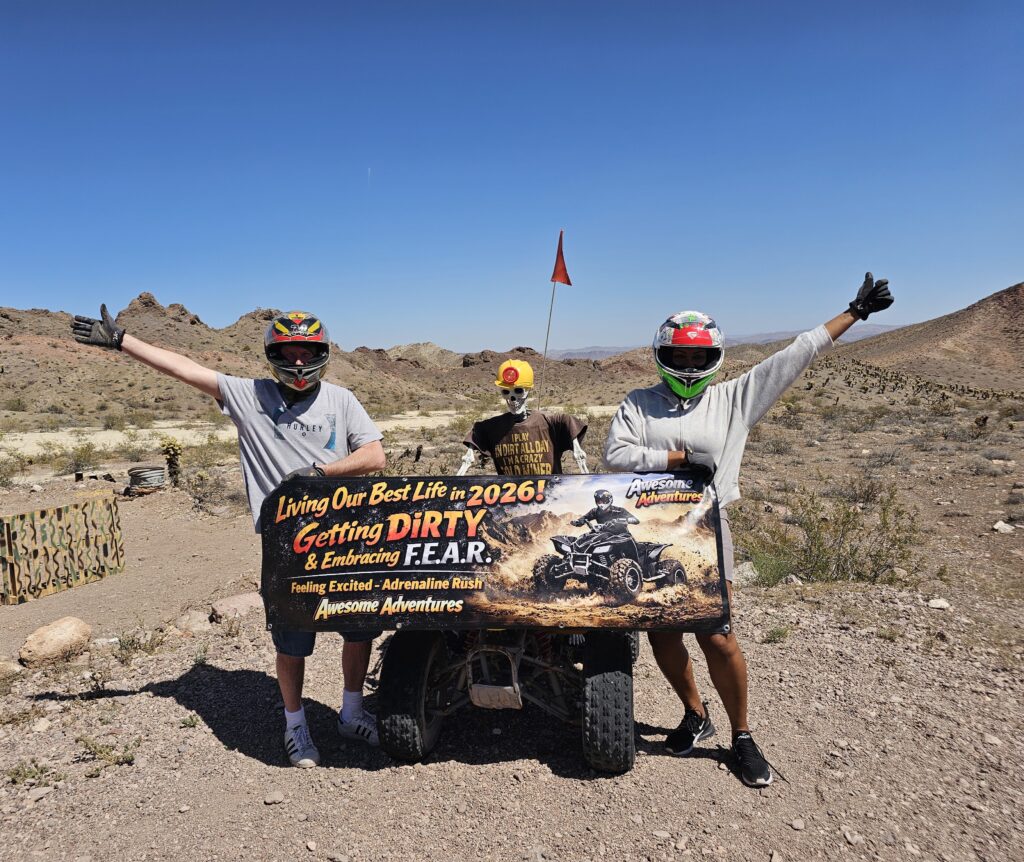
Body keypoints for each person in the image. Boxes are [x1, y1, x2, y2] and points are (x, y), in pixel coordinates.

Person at [603, 273, 894, 787]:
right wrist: (679, 457)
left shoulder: (736, 398)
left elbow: (797, 353)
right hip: (649, 529)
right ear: (662, 357)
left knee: (716, 635)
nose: (690, 366)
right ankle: (695, 714)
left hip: (706, 528)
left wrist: (855, 311)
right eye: (680, 357)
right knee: (661, 633)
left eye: (698, 357)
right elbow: (615, 456)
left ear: (713, 358)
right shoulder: (638, 403)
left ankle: (741, 736)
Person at [71, 305, 387, 768]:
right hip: (287, 540)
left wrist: (321, 471)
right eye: (289, 353)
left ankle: (351, 711)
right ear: (272, 355)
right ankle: (296, 724)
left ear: (322, 354)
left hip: (346, 531)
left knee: (357, 625)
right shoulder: (248, 395)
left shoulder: (341, 399)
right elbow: (184, 369)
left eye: (307, 353)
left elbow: (375, 455)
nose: (298, 364)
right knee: (292, 635)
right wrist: (123, 342)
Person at [458, 359, 589, 476]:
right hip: (512, 497)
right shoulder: (492, 427)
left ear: (528, 391)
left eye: (518, 391)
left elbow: (567, 421)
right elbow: (477, 431)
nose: (513, 398)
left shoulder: (550, 423)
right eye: (506, 392)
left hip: (548, 495)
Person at [570, 489, 639, 534]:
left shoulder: (619, 510)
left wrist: (624, 519)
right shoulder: (595, 511)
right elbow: (585, 518)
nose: (600, 503)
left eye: (603, 501)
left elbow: (636, 520)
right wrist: (577, 522)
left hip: (621, 535)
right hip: (604, 536)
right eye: (598, 501)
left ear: (609, 500)